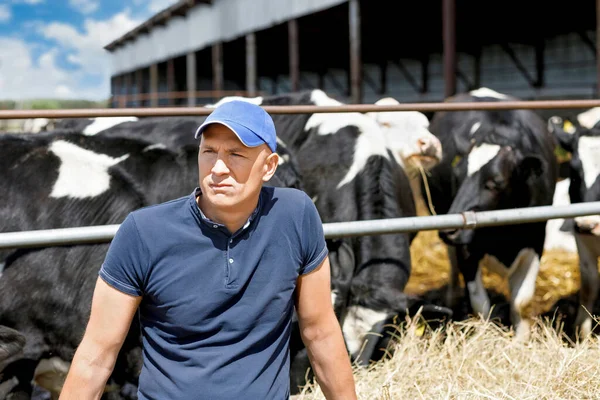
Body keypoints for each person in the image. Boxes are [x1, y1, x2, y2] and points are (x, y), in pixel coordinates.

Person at [59, 100, 357, 400]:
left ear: (269, 167)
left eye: (235, 154)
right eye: (209, 151)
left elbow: (320, 332)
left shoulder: (296, 215)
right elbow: (96, 356)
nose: (217, 169)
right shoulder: (144, 232)